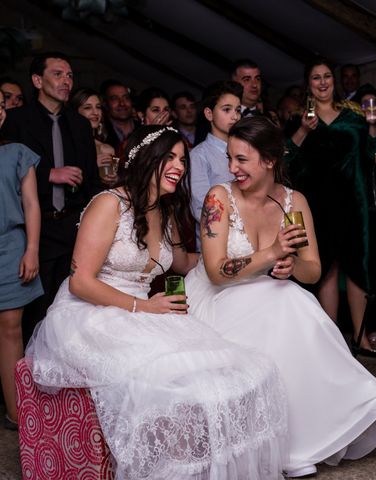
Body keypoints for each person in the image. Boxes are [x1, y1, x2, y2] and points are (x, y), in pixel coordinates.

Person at [25, 125, 287, 478]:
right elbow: (80, 282)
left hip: (144, 310)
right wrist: (143, 308)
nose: (180, 166)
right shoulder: (109, 203)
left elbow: (188, 263)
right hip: (92, 313)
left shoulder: (163, 211)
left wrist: (250, 257)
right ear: (146, 158)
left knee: (235, 373)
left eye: (182, 158)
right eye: (170, 157)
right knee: (167, 382)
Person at [186, 116, 376, 478]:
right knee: (284, 306)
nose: (232, 168)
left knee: (295, 299)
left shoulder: (294, 202)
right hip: (220, 296)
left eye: (242, 159)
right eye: (230, 158)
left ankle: (351, 406)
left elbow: (313, 271)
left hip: (270, 292)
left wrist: (291, 268)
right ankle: (295, 445)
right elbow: (215, 270)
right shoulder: (219, 199)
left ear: (270, 160)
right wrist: (272, 253)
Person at [285, 57, 376, 355]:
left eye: (327, 76)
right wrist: (303, 130)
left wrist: (374, 126)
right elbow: (286, 161)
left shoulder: (353, 116)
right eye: (316, 78)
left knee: (356, 266)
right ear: (308, 84)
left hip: (353, 199)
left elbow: (373, 155)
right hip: (317, 202)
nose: (323, 82)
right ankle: (333, 340)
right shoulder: (298, 119)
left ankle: (361, 335)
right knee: (326, 266)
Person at [1, 52, 98, 344]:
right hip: (34, 230)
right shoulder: (16, 121)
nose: (66, 81)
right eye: (58, 74)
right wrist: (48, 175)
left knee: (72, 309)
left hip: (71, 226)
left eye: (69, 75)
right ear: (37, 80)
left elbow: (91, 180)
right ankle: (31, 383)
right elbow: (5, 175)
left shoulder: (79, 124)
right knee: (35, 314)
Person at [0, 99, 43, 430]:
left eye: (1, 105)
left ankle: (16, 414)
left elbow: (31, 204)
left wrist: (31, 249)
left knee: (11, 326)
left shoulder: (18, 152)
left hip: (11, 246)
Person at [189, 80, 242, 251]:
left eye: (238, 110)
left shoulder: (247, 151)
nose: (235, 116)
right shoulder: (198, 156)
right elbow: (201, 210)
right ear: (209, 114)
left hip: (248, 240)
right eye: (227, 110)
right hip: (215, 245)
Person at [68, 87, 118, 187]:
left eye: (98, 107)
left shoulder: (107, 149)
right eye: (88, 107)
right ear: (75, 112)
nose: (95, 112)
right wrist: (91, 166)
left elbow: (112, 184)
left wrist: (115, 179)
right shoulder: (68, 144)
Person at [100, 79, 138, 152]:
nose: (122, 103)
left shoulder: (142, 129)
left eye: (126, 98)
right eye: (115, 99)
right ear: (105, 104)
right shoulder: (101, 134)